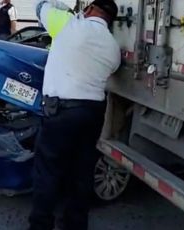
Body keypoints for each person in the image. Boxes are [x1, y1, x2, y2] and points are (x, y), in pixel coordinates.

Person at [28, 0, 120, 229]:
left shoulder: (67, 24)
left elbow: (40, 7)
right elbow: (111, 70)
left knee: (47, 172)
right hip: (92, 114)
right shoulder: (113, 48)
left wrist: (62, 6)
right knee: (82, 174)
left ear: (88, 9)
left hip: (60, 112)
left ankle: (40, 225)